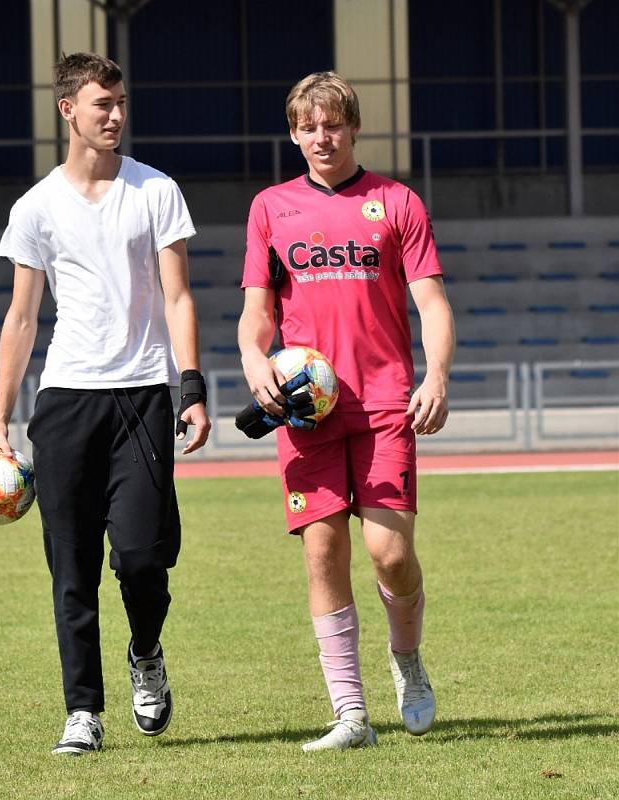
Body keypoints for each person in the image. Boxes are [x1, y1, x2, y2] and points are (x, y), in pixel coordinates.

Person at [0, 52, 210, 755]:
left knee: (138, 557)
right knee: (71, 566)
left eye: (122, 102)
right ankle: (82, 711)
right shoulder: (35, 207)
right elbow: (21, 319)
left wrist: (189, 384)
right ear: (68, 109)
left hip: (143, 397)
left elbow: (179, 296)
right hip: (66, 401)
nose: (117, 115)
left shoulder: (156, 190)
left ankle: (147, 653)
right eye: (103, 104)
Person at [237, 71, 455, 752]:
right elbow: (254, 316)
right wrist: (254, 365)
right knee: (323, 554)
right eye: (308, 127)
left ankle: (408, 660)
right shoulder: (270, 208)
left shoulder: (396, 202)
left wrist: (437, 374)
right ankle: (350, 716)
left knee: (389, 555)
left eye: (332, 124)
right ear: (293, 133)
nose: (320, 137)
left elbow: (432, 304)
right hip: (308, 411)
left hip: (385, 402)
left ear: (352, 127)